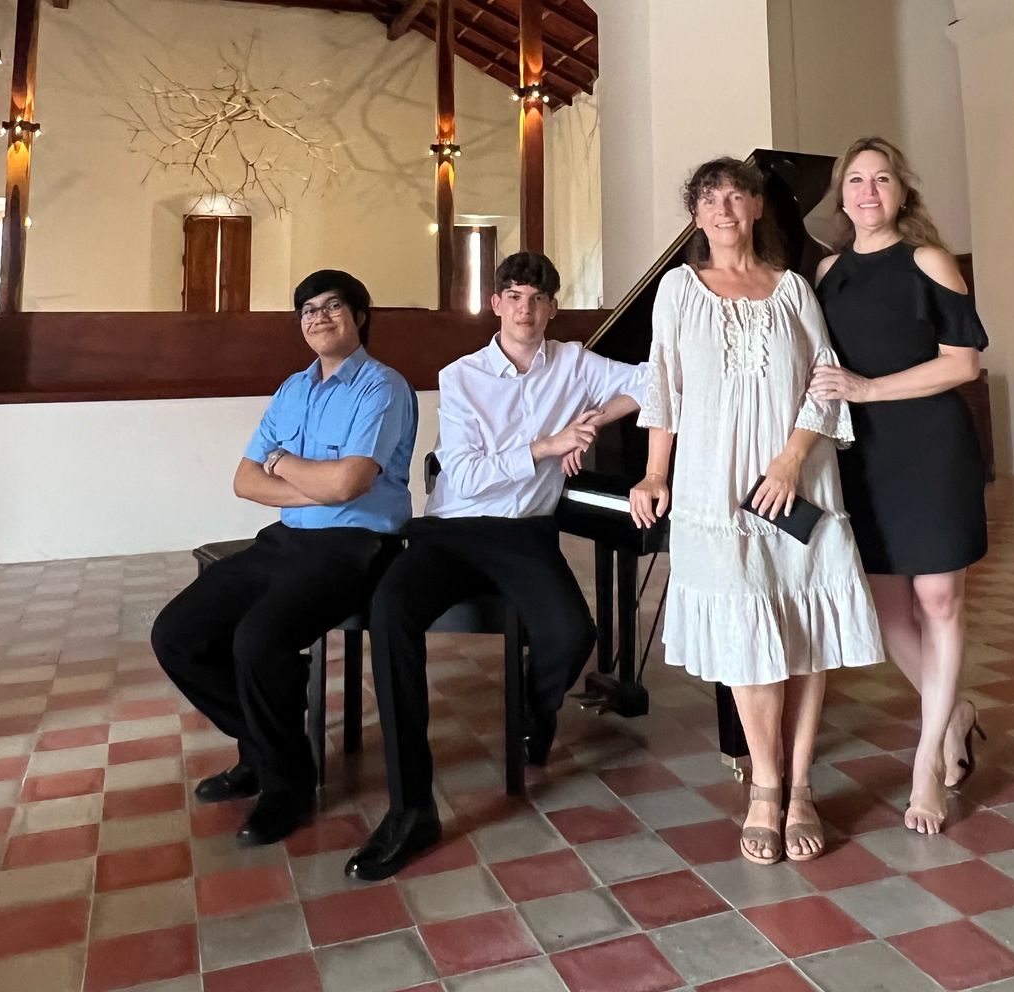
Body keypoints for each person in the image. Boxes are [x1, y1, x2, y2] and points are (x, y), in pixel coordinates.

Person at [346, 250, 647, 882]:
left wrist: (594, 415)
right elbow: (467, 473)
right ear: (495, 304)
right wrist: (548, 445)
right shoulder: (460, 376)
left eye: (538, 299)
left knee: (572, 637)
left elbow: (653, 383)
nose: (526, 308)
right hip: (452, 530)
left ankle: (534, 718)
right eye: (513, 295)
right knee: (388, 610)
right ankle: (410, 808)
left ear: (552, 307)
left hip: (525, 535)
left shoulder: (574, 361)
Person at [629, 158, 883, 866]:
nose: (723, 207)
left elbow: (825, 382)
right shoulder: (679, 291)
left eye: (736, 194)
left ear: (757, 208)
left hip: (797, 485)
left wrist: (792, 459)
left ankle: (800, 785)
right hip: (716, 490)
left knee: (804, 633)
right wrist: (654, 473)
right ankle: (765, 788)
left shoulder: (794, 288)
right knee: (747, 637)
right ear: (695, 213)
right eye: (709, 197)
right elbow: (663, 388)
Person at [151, 269, 416, 845]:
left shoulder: (382, 386)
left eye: (332, 306)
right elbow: (244, 481)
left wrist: (284, 464)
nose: (318, 317)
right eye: (307, 310)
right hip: (287, 538)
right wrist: (312, 484)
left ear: (360, 315)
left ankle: (285, 785)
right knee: (176, 633)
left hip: (357, 545)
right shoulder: (292, 389)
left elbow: (349, 486)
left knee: (257, 640)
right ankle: (265, 747)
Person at [812, 137, 988, 837]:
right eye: (855, 179)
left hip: (931, 446)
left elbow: (964, 364)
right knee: (889, 616)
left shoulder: (929, 261)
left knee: (937, 598)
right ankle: (958, 715)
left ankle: (926, 764)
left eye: (881, 178)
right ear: (841, 194)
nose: (868, 190)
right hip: (865, 456)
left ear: (901, 193)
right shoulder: (825, 273)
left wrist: (867, 388)